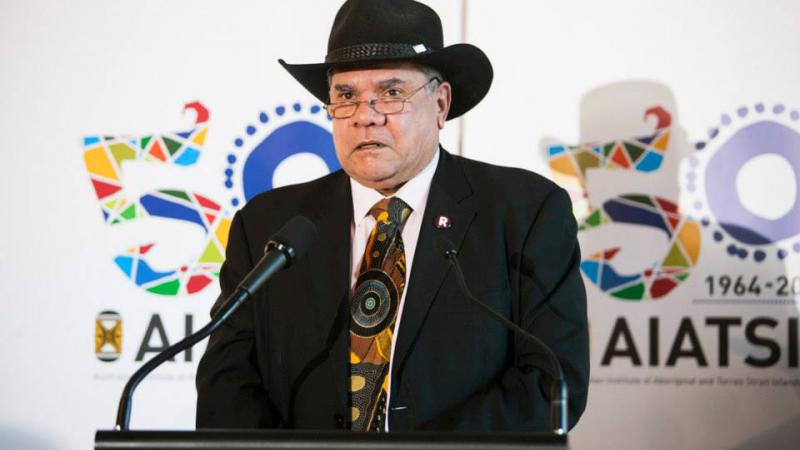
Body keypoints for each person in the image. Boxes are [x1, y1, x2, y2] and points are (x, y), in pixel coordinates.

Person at [196, 0, 589, 432]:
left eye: (392, 92)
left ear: (441, 104)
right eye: (346, 97)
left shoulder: (523, 212)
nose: (366, 116)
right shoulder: (268, 225)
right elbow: (227, 382)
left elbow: (551, 382)